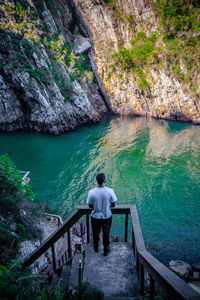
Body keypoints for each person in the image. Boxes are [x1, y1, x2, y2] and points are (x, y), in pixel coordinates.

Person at [87, 173, 117, 256]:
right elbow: (113, 204)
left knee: (95, 233)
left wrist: (96, 208)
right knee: (106, 234)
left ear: (97, 181)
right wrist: (107, 206)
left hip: (95, 217)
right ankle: (105, 250)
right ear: (104, 180)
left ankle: (96, 247)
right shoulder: (110, 191)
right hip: (106, 216)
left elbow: (89, 205)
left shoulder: (91, 192)